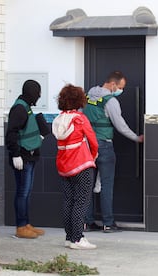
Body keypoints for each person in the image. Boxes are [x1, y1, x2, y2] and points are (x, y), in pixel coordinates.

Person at [83, 71, 144, 233]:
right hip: (104, 146)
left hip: (87, 146)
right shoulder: (111, 101)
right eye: (120, 87)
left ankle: (87, 223)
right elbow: (120, 125)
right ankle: (108, 223)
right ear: (112, 84)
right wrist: (137, 138)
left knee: (87, 185)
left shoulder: (87, 97)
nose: (120, 91)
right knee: (106, 185)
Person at [52, 84, 99, 249]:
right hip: (81, 165)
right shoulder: (79, 118)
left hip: (63, 166)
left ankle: (69, 237)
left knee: (68, 201)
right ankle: (78, 239)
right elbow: (92, 140)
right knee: (81, 201)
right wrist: (92, 156)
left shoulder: (58, 120)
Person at [5, 80, 50, 239]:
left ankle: (26, 223)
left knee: (27, 192)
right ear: (32, 92)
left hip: (30, 156)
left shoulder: (26, 106)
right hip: (22, 158)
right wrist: (15, 154)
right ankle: (21, 226)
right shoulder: (19, 108)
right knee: (22, 193)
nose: (39, 96)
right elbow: (11, 133)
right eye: (37, 93)